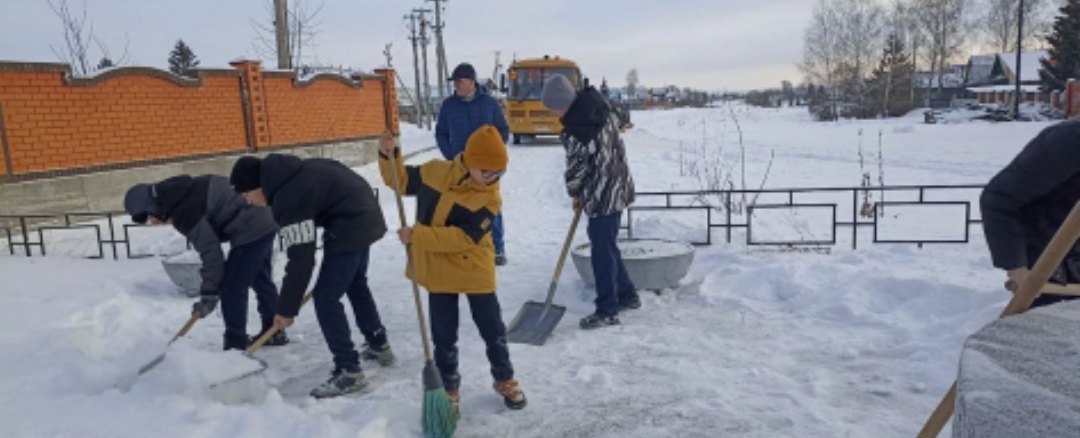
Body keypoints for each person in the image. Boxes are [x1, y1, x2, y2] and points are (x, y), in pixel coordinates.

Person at [379, 125, 526, 411]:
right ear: (469, 161)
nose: (492, 179)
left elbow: (463, 238)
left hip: (474, 267)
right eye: (486, 171)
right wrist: (389, 154)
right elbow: (400, 181)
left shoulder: (490, 197)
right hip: (437, 267)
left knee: (492, 328)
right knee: (444, 334)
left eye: (499, 173)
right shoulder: (435, 171)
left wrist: (417, 236)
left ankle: (504, 378)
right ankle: (449, 386)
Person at [229, 153, 394, 399]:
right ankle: (378, 343)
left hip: (351, 225)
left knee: (326, 299)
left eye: (247, 194)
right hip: (365, 215)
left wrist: (286, 309)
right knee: (355, 284)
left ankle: (349, 371)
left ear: (258, 186)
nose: (249, 202)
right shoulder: (292, 173)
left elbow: (301, 260)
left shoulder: (288, 197)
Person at [123, 175, 287, 350]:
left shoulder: (184, 212)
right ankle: (274, 330)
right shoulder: (182, 191)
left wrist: (209, 293)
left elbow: (211, 253)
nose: (153, 222)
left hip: (251, 228)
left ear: (154, 206)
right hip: (264, 218)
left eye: (150, 217)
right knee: (260, 279)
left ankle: (235, 342)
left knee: (231, 287)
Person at [540, 74, 641, 330]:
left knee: (601, 252)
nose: (554, 114)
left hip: (602, 195)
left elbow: (576, 171)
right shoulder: (601, 107)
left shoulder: (577, 130)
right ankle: (627, 294)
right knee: (606, 244)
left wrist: (575, 193)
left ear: (565, 102)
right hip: (619, 185)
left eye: (555, 108)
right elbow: (623, 117)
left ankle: (607, 309)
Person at [981, 119, 1080, 308]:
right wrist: (1016, 266)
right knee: (1048, 333)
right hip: (1047, 267)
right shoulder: (1070, 141)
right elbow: (1000, 198)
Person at [436, 62, 511, 266]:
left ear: (471, 82)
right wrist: (451, 156)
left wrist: (492, 155)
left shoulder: (489, 104)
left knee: (490, 207)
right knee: (460, 206)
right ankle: (465, 246)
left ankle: (497, 248)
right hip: (460, 166)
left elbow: (502, 131)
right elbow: (441, 133)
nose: (456, 86)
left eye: (459, 81)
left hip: (487, 168)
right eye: (455, 82)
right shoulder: (448, 106)